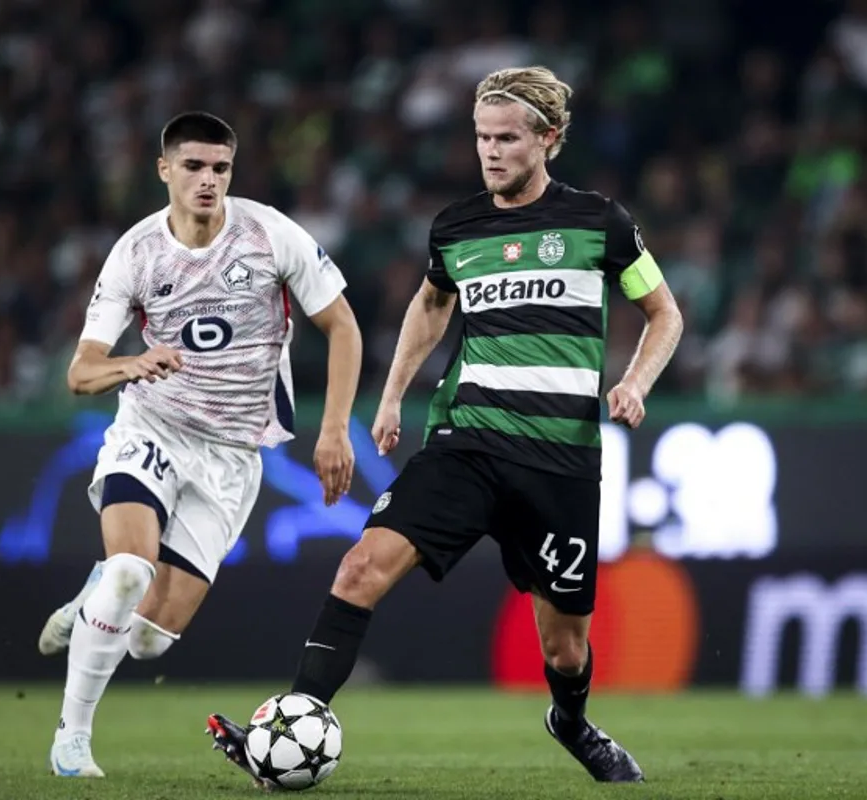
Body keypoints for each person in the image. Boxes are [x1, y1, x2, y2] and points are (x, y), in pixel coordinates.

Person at [207, 66, 682, 784]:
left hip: (560, 462)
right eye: (482, 138)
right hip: (466, 443)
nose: (491, 152)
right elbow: (432, 306)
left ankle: (572, 723)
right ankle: (290, 723)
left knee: (566, 652)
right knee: (360, 567)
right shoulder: (457, 228)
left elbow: (664, 313)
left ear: (548, 139)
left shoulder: (599, 223)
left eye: (508, 139)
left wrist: (635, 382)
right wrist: (394, 394)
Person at [41, 111, 362, 777]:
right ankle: (72, 740)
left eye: (219, 168)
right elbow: (82, 372)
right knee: (133, 569)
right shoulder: (135, 252)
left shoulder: (270, 235)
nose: (207, 180)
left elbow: (343, 327)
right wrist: (134, 363)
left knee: (151, 642)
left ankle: (95, 597)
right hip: (151, 429)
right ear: (164, 170)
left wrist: (333, 428)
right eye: (192, 166)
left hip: (233, 457)